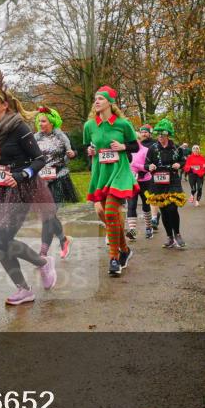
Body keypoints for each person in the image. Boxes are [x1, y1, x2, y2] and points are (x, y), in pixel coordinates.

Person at [0, 76, 57, 306]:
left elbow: (39, 159)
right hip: (0, 190)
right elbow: (0, 163)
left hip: (23, 189)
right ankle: (24, 288)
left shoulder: (19, 127)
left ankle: (42, 263)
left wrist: (21, 176)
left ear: (4, 105)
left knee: (5, 238)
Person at [83, 86, 139, 276]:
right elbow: (88, 147)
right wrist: (90, 152)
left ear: (110, 103)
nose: (96, 101)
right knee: (110, 216)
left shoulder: (123, 124)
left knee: (109, 211)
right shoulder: (89, 126)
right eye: (95, 99)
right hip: (101, 173)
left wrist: (123, 146)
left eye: (101, 98)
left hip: (119, 171)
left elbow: (135, 146)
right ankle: (125, 250)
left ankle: (114, 258)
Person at [34, 106, 78, 259]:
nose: (41, 124)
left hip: (59, 179)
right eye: (39, 121)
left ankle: (43, 253)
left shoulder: (62, 137)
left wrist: (72, 154)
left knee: (49, 214)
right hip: (42, 181)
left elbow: (74, 151)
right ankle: (63, 240)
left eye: (44, 121)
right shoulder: (35, 139)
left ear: (52, 122)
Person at [144, 119, 188, 249]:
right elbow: (146, 163)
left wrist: (178, 164)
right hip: (158, 182)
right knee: (163, 210)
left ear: (168, 134)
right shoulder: (152, 148)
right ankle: (169, 237)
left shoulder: (176, 148)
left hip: (172, 180)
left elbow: (183, 161)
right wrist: (149, 166)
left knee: (172, 208)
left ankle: (177, 234)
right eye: (158, 135)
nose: (160, 137)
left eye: (162, 134)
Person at [127, 124, 157, 240]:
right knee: (131, 205)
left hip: (145, 181)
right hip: (132, 182)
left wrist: (139, 167)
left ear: (139, 140)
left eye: (134, 140)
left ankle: (149, 227)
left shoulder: (146, 150)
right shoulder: (127, 152)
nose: (132, 142)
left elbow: (149, 165)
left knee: (146, 205)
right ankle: (132, 231)